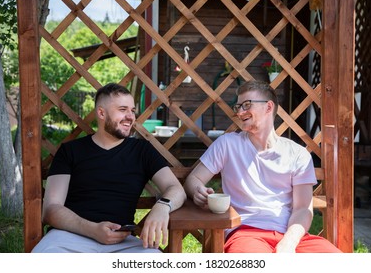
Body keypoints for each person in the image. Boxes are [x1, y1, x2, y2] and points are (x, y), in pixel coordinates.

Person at [184, 80, 341, 253]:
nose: (240, 112)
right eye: (238, 107)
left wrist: (288, 243)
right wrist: (197, 191)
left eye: (247, 105)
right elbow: (194, 179)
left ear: (268, 107)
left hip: (292, 236)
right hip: (245, 233)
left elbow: (303, 209)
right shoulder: (227, 144)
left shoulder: (297, 154)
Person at [32, 83, 186, 253]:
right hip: (68, 238)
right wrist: (93, 230)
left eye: (132, 111)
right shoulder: (71, 151)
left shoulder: (142, 151)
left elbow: (176, 189)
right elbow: (51, 209)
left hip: (121, 243)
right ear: (101, 113)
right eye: (122, 109)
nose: (130, 117)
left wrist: (162, 207)